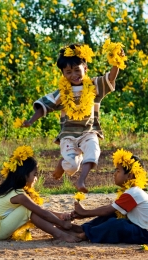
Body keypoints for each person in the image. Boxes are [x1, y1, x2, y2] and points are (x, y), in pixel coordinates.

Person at [23, 42, 126, 193]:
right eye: (68, 72)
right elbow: (44, 106)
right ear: (63, 74)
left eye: (77, 70)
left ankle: (81, 181)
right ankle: (63, 163)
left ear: (85, 68)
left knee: (94, 151)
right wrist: (31, 121)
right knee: (72, 165)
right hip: (68, 135)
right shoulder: (62, 92)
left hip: (89, 131)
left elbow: (110, 78)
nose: (74, 75)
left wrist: (117, 61)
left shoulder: (94, 85)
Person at [0, 145, 81, 242]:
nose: (36, 179)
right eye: (34, 175)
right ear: (24, 175)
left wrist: (60, 216)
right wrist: (61, 222)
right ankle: (60, 234)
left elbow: (40, 212)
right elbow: (41, 212)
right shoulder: (18, 195)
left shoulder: (14, 191)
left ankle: (68, 232)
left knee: (31, 210)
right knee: (28, 210)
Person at [70, 148, 148, 244]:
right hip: (139, 229)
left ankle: (87, 233)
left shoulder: (133, 193)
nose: (114, 174)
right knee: (113, 214)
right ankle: (82, 228)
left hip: (146, 234)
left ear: (129, 176)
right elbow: (110, 208)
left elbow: (106, 210)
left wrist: (85, 212)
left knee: (117, 224)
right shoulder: (132, 191)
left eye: (118, 171)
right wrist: (84, 213)